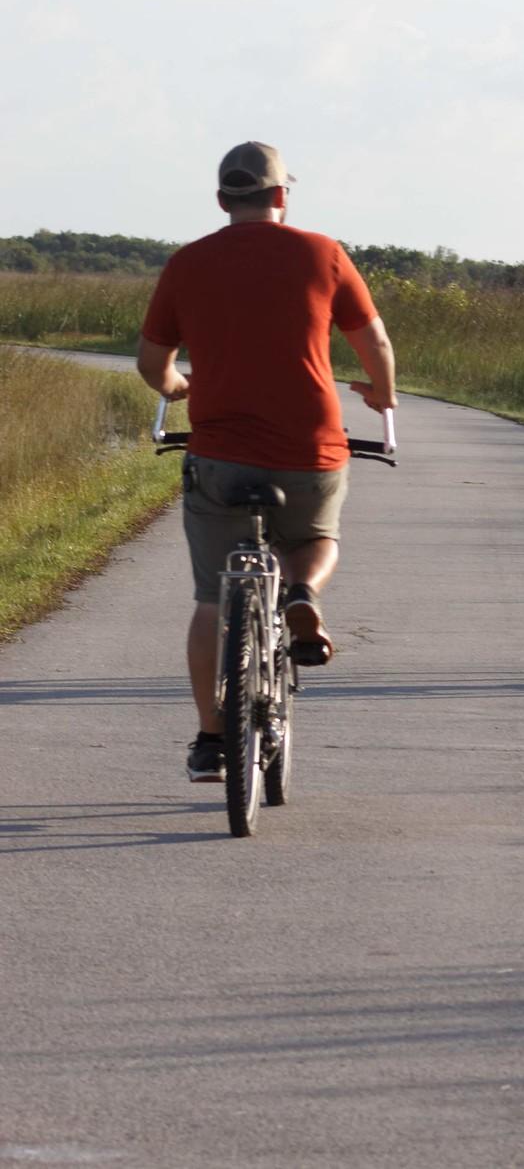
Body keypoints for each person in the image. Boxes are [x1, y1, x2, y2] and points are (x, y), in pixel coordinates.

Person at [136, 142, 397, 782]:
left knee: (208, 599)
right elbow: (375, 343)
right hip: (308, 448)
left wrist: (178, 388)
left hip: (221, 453)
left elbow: (152, 363)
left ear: (223, 199)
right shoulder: (322, 253)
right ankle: (303, 593)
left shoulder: (189, 262)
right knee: (316, 535)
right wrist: (382, 393)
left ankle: (210, 740)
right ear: (283, 195)